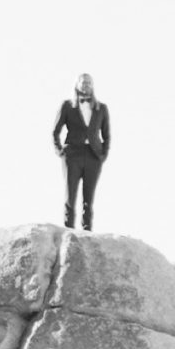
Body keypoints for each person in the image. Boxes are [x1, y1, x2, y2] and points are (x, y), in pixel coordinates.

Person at [52, 72, 110, 230]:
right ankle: (68, 230)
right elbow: (55, 132)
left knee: (88, 198)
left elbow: (106, 135)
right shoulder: (67, 106)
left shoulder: (101, 109)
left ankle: (86, 232)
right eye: (83, 82)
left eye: (89, 82)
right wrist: (60, 151)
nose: (86, 85)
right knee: (70, 196)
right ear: (77, 85)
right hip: (72, 155)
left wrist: (102, 154)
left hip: (93, 156)